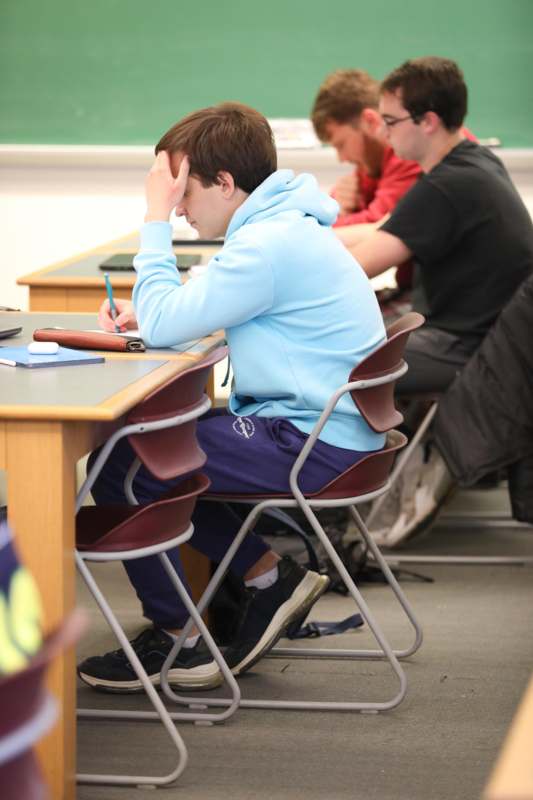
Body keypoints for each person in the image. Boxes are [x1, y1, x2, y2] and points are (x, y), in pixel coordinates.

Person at [78, 102, 387, 693]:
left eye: (184, 195)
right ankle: (270, 579)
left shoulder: (267, 245)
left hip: (313, 442)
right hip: (330, 429)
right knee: (162, 457)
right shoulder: (281, 228)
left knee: (131, 457)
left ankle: (179, 642)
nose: (181, 210)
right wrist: (151, 311)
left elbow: (179, 318)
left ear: (225, 183)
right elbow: (196, 308)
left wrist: (153, 221)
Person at [346, 56, 533, 544]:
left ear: (427, 121)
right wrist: (306, 237)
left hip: (470, 353)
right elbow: (384, 229)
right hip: (493, 341)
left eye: (390, 122)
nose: (384, 135)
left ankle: (323, 496)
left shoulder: (447, 185)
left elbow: (356, 269)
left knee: (338, 362)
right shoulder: (471, 162)